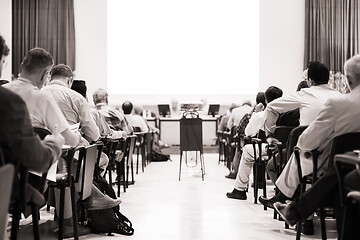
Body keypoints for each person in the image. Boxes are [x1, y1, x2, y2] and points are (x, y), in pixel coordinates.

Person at [259, 55, 360, 217]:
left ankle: (290, 203)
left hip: (327, 158)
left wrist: (270, 134)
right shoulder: (339, 96)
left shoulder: (336, 103)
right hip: (347, 159)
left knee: (301, 151)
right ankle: (294, 206)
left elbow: (307, 140)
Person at [226, 86, 297, 200]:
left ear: (265, 100)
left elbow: (248, 133)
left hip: (268, 150)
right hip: (287, 149)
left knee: (247, 150)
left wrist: (256, 113)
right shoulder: (289, 113)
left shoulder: (261, 115)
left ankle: (240, 189)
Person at [3, 48, 81, 148]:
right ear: (45, 74)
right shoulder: (43, 99)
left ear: (21, 66)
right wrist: (78, 136)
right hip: (32, 158)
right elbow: (70, 141)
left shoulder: (3, 91)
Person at [264, 61, 341, 140]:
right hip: (337, 149)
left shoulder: (305, 94)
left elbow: (270, 107)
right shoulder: (340, 96)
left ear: (310, 81)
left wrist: (269, 135)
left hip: (308, 148)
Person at [43, 64, 100, 144]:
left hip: (39, 146)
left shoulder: (36, 93)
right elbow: (93, 134)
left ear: (50, 78)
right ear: (69, 80)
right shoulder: (77, 98)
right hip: (69, 149)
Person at [225, 93, 266, 179]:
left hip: (252, 145)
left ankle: (237, 176)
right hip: (272, 147)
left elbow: (241, 131)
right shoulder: (274, 113)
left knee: (242, 147)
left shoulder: (250, 115)